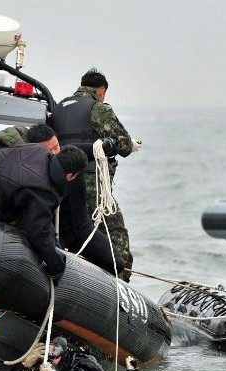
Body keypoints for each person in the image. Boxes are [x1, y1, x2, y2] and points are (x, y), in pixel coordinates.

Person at [0, 144, 88, 279]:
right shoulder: (42, 191)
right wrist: (57, 266)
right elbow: (39, 234)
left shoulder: (37, 149)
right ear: (70, 175)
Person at [51, 68, 138, 282]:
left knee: (72, 232)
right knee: (116, 235)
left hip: (60, 183)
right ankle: (122, 287)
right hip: (92, 185)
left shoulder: (57, 108)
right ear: (102, 91)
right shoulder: (98, 108)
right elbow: (125, 146)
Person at [27, 124, 126, 276]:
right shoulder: (30, 174)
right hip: (55, 232)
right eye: (49, 150)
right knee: (53, 267)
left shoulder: (71, 154)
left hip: (82, 228)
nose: (55, 153)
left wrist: (109, 145)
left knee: (116, 263)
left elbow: (97, 148)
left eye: (56, 147)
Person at [20, 337, 143, 371]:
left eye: (55, 350)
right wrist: (26, 363)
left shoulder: (77, 368)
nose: (50, 353)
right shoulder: (43, 362)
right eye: (48, 349)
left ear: (62, 352)